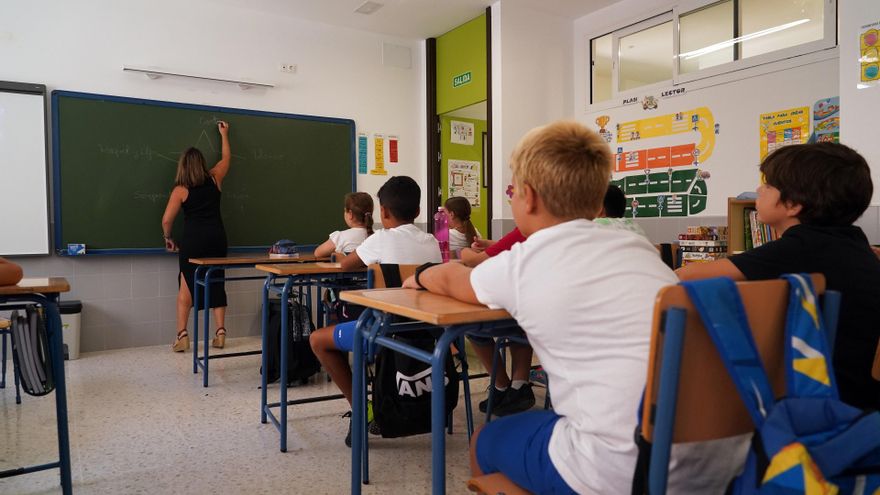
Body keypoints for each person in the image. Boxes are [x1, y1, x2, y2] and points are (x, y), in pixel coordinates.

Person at [404, 120, 739, 493]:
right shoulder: (638, 248)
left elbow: (452, 278)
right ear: (598, 203)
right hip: (723, 457)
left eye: (512, 191)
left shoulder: (527, 260)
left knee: (484, 439)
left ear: (528, 197)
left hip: (624, 468)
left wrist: (419, 276)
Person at [678, 142, 880, 411]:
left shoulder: (800, 248)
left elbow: (685, 276)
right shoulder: (856, 245)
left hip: (817, 404)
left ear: (793, 204)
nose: (759, 190)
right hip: (862, 398)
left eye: (768, 185)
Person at [309, 175, 441, 446]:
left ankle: (361, 408)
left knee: (318, 340)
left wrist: (340, 256)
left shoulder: (379, 239)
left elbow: (346, 265)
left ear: (382, 211)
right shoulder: (431, 241)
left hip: (385, 333)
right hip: (428, 333)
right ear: (417, 211)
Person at [161, 121, 231, 353]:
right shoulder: (214, 179)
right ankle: (220, 332)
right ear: (201, 164)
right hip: (217, 239)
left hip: (193, 242)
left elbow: (166, 220)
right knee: (217, 282)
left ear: (182, 167)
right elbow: (226, 159)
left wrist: (168, 237)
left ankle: (182, 335)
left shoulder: (180, 190)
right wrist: (224, 134)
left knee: (186, 286)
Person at [313, 192, 374, 257]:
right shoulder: (377, 236)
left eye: (345, 211)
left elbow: (318, 253)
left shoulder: (340, 237)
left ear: (350, 214)